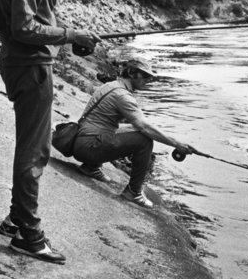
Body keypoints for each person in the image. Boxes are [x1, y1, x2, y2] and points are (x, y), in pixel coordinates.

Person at [0, 0, 119, 263]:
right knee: (35, 152)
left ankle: (16, 220)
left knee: (30, 147)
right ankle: (28, 235)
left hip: (26, 65)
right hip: (30, 67)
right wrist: (72, 35)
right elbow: (25, 27)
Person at [72, 48, 197, 208]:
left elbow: (134, 125)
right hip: (87, 147)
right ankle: (133, 192)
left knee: (132, 129)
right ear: (131, 73)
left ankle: (91, 167)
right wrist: (177, 144)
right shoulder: (123, 96)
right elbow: (144, 127)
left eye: (150, 77)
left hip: (82, 141)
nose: (148, 80)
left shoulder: (112, 85)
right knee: (144, 139)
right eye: (145, 76)